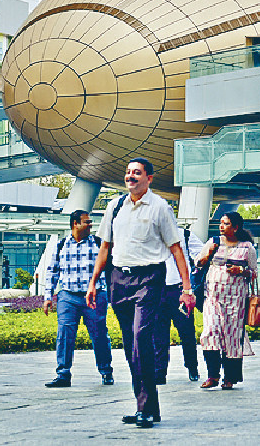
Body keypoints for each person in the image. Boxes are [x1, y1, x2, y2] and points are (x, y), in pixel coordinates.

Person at [86, 158, 196, 429]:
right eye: (128, 173)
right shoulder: (114, 207)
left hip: (149, 278)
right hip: (118, 279)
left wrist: (187, 288)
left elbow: (176, 249)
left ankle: (145, 407)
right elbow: (104, 249)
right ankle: (147, 406)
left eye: (137, 173)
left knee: (140, 339)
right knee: (130, 346)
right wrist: (93, 282)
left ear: (149, 178)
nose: (131, 177)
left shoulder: (160, 207)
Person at [43, 209, 114, 388]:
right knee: (64, 335)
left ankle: (106, 371)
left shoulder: (99, 244)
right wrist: (48, 296)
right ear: (75, 224)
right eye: (86, 222)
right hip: (67, 297)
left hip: (95, 297)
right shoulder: (61, 245)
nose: (90, 225)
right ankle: (63, 374)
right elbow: (52, 271)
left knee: (99, 335)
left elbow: (110, 269)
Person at [196, 211, 258, 389]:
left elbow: (254, 272)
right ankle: (212, 375)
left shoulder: (247, 247)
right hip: (212, 296)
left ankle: (230, 378)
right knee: (210, 331)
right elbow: (198, 263)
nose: (222, 227)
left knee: (231, 337)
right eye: (221, 223)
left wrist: (242, 271)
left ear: (236, 227)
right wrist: (206, 256)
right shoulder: (214, 242)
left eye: (226, 223)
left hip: (236, 299)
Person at [154, 224, 204, 384]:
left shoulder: (185, 235)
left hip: (180, 290)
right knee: (159, 334)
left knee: (187, 331)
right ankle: (159, 371)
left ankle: (192, 367)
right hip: (157, 290)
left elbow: (202, 255)